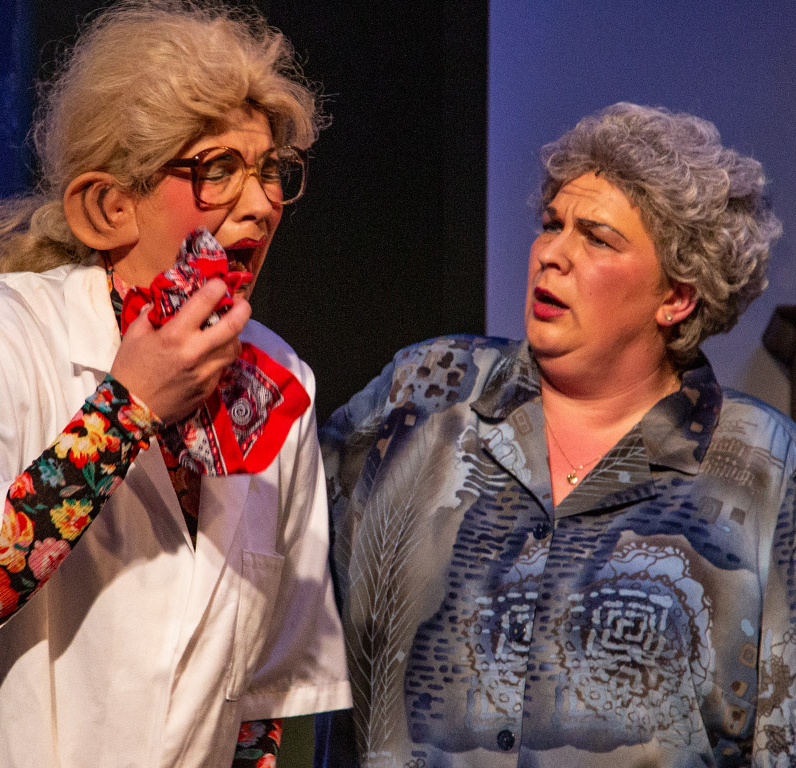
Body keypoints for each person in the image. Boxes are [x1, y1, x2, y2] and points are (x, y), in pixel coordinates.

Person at [0, 3, 350, 767]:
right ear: (108, 206)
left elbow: (261, 706)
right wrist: (128, 409)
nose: (262, 203)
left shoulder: (276, 382)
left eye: (270, 171)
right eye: (218, 170)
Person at [318, 102, 794, 767]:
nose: (552, 254)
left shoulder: (766, 468)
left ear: (677, 297)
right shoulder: (426, 394)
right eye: (551, 225)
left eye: (596, 238)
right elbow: (267, 553)